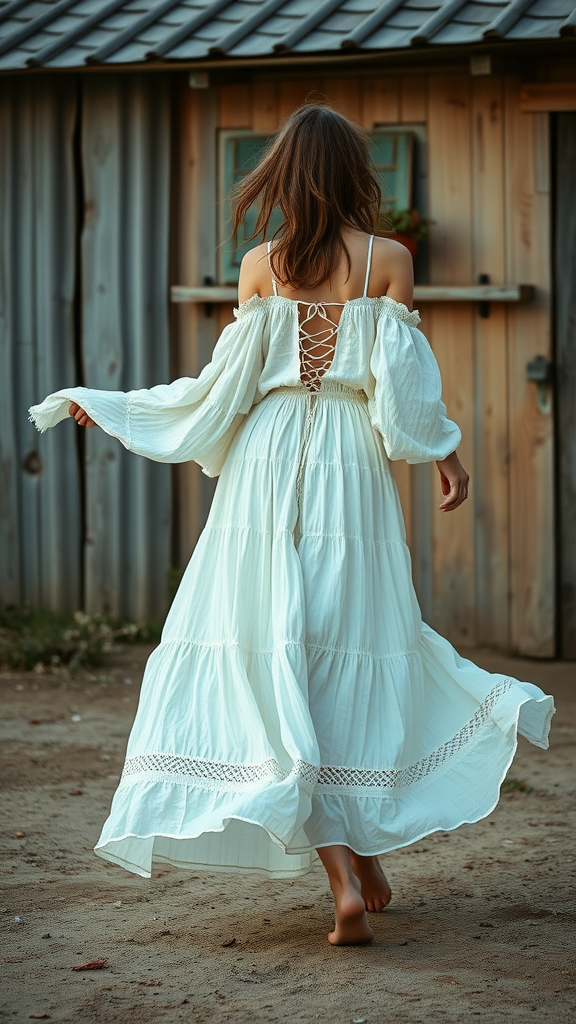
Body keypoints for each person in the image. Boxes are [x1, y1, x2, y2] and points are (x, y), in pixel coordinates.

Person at [29, 103, 554, 947]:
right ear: (353, 174)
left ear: (281, 176)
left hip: (265, 467)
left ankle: (353, 869)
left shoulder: (259, 267)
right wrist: (445, 455)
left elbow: (219, 394)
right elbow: (405, 399)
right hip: (350, 461)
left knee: (273, 651)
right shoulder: (389, 260)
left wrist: (123, 408)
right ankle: (353, 865)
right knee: (346, 644)